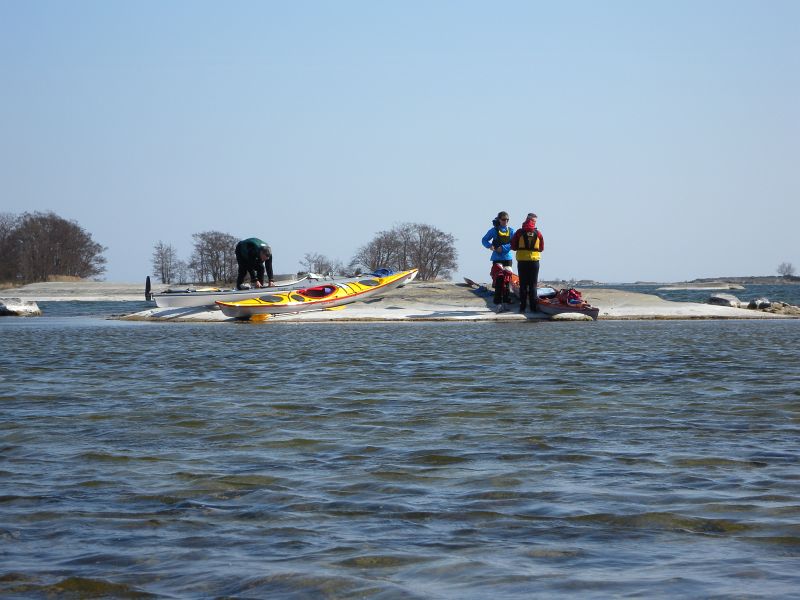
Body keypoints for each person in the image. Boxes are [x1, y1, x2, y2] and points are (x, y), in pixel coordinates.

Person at [481, 211, 515, 311]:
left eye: (507, 220)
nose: (506, 221)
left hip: (507, 259)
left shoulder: (511, 231)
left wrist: (503, 248)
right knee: (499, 281)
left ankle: (506, 301)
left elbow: (514, 243)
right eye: (503, 219)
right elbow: (484, 240)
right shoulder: (493, 230)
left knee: (507, 281)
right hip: (497, 259)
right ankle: (498, 303)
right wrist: (490, 246)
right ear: (499, 220)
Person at [511, 213, 544, 313]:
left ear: (526, 220)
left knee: (523, 285)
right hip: (534, 262)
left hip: (522, 262)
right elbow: (541, 248)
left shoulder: (519, 232)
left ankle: (522, 307)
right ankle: (533, 308)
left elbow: (513, 246)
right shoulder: (538, 233)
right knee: (533, 285)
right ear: (533, 222)